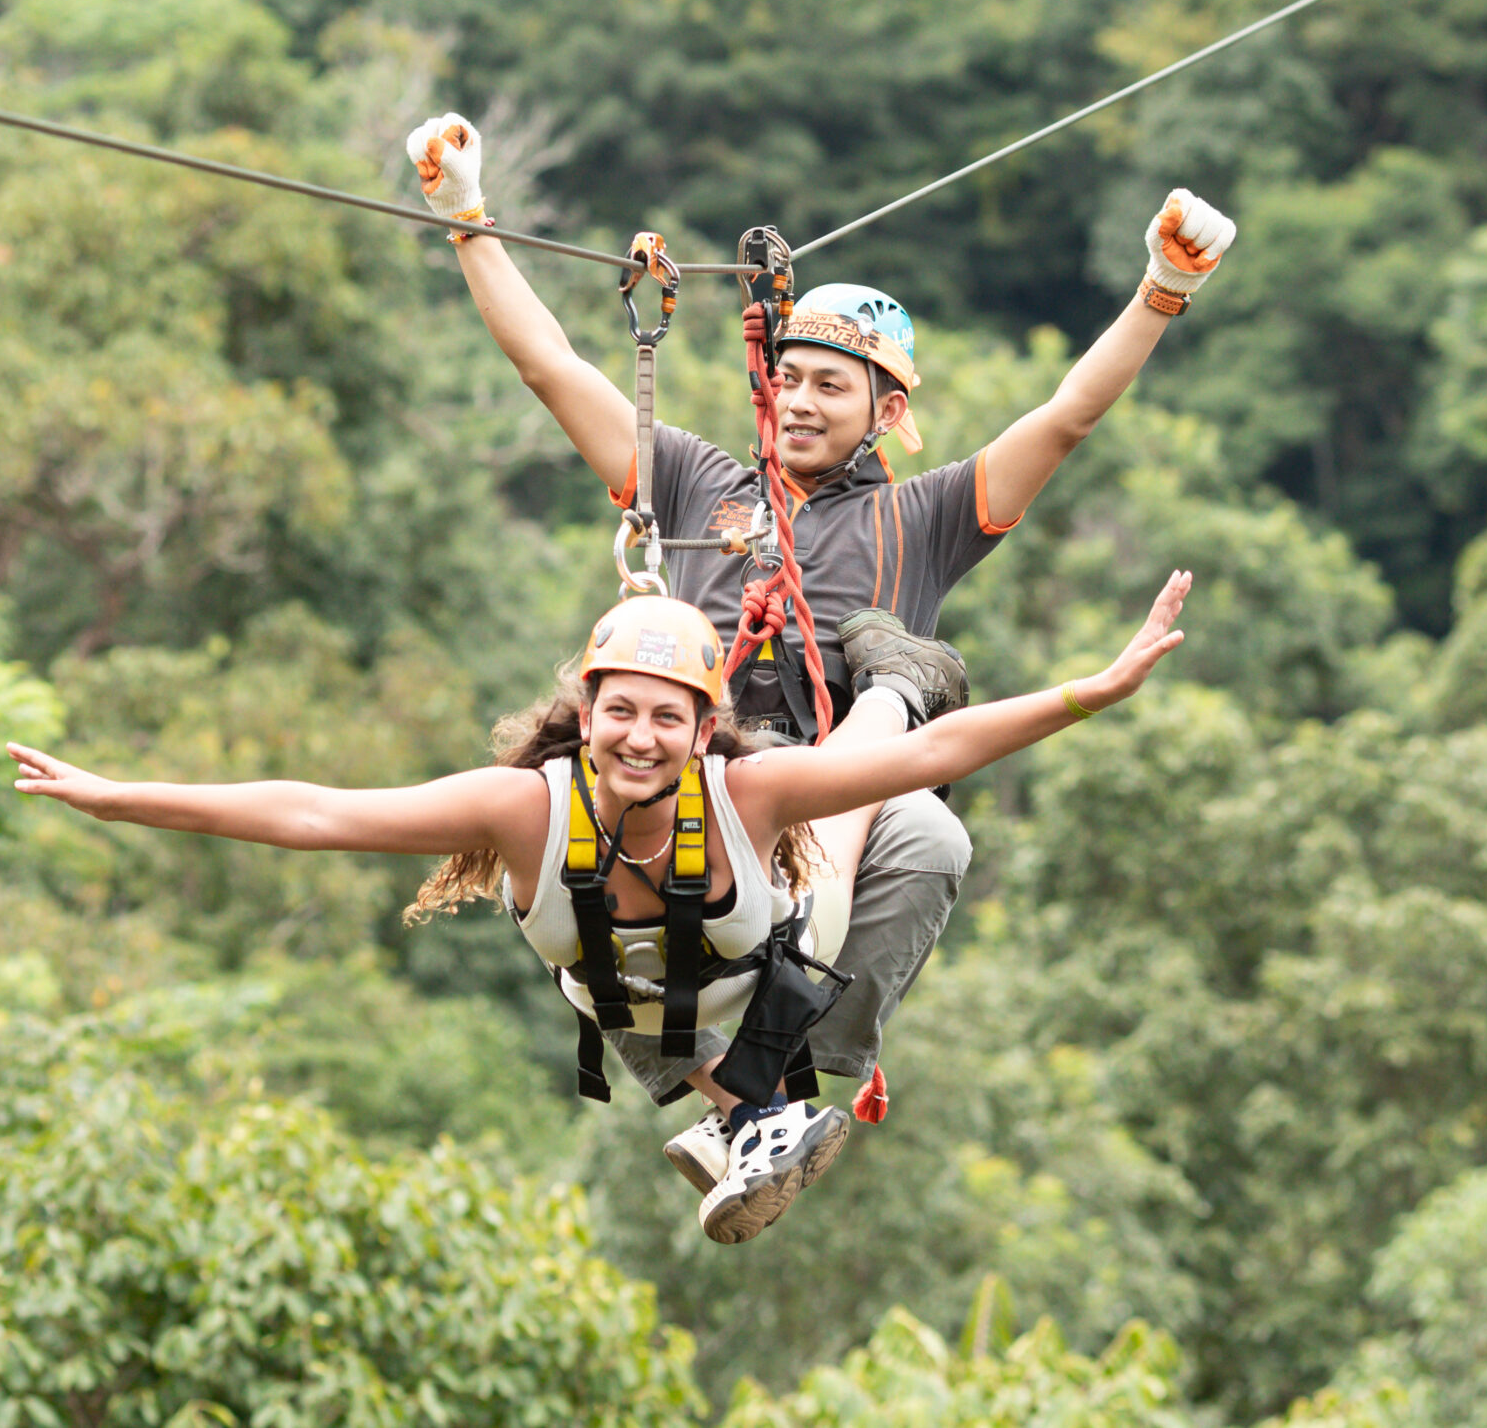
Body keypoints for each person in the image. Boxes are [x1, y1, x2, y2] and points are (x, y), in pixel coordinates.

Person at [403, 113, 1235, 1175]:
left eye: (829, 387)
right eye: (787, 381)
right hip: (697, 778)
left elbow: (1064, 420)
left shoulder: (924, 520)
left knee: (931, 839)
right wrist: (467, 218)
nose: (798, 401)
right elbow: (549, 367)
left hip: (826, 800)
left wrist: (1160, 290)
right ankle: (738, 1093)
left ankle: (764, 1085)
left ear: (886, 411)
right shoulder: (700, 484)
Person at [9, 571, 1193, 1244]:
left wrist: (1094, 689)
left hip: (779, 961)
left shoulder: (741, 785)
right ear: (587, 710)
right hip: (656, 1033)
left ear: (696, 727)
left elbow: (965, 745)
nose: (640, 737)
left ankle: (897, 679)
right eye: (620, 712)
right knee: (775, 899)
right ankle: (744, 1114)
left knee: (880, 780)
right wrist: (122, 802)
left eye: (667, 719)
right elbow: (317, 812)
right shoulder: (523, 808)